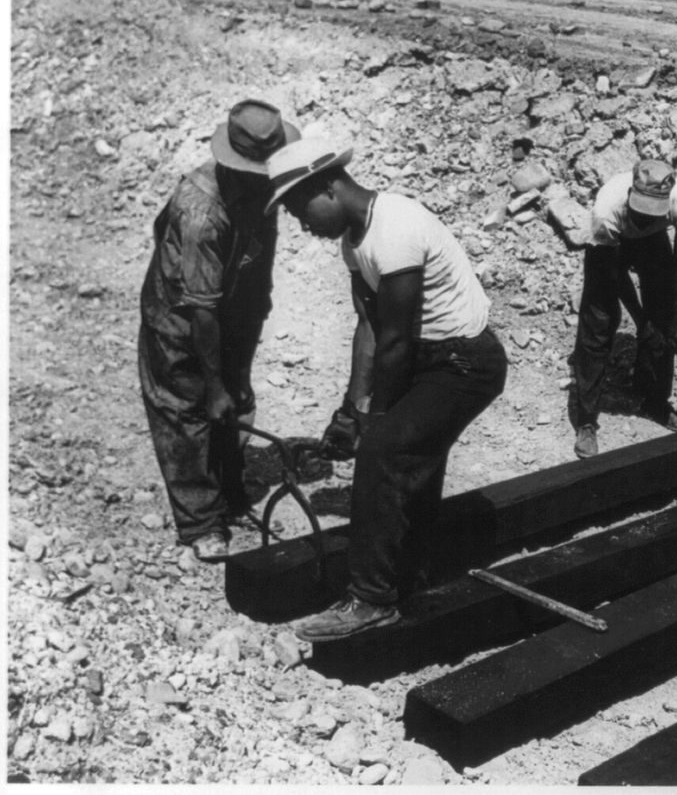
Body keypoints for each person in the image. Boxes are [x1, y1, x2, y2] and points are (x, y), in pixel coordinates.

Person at [264, 136, 508, 640]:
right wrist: (351, 407)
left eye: (298, 208)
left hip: (465, 363)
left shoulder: (395, 227)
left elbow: (395, 340)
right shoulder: (353, 243)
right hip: (428, 358)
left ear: (328, 186)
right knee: (411, 453)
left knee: (385, 450)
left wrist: (372, 423)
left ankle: (372, 600)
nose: (300, 223)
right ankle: (410, 570)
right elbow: (370, 327)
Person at [138, 100, 300, 562]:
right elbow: (200, 311)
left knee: (234, 401)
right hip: (181, 316)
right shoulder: (202, 210)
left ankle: (229, 491)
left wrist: (241, 357)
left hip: (231, 309)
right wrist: (213, 385)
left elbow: (256, 261)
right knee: (185, 409)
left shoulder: (261, 190)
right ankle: (201, 521)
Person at [571, 158, 677, 458]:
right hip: (610, 246)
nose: (645, 217)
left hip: (654, 242)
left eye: (653, 212)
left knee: (663, 321)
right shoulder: (607, 211)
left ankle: (654, 401)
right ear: (632, 193)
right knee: (598, 324)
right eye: (642, 210)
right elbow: (614, 275)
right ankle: (587, 420)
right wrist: (639, 316)